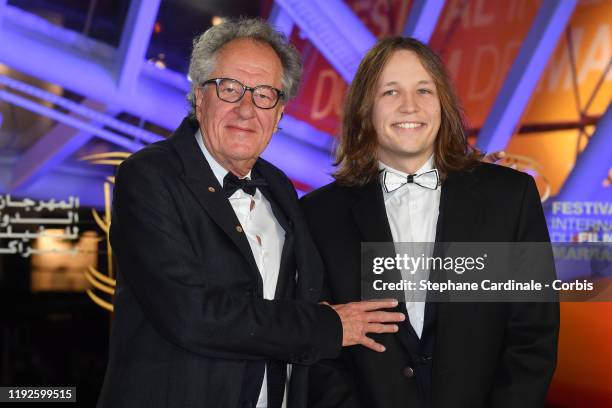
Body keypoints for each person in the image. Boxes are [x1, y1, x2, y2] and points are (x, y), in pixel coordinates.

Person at [97, 19, 405, 408]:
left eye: (264, 95)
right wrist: (327, 326)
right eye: (230, 89)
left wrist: (454, 178)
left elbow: (334, 255)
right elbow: (193, 316)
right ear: (199, 97)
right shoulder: (149, 176)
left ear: (278, 115)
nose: (247, 109)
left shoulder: (279, 186)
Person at [301, 37, 559, 408]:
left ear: (443, 104)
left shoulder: (510, 197)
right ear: (364, 109)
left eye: (424, 90)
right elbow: (320, 351)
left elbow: (533, 339)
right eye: (391, 92)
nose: (410, 106)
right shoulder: (319, 215)